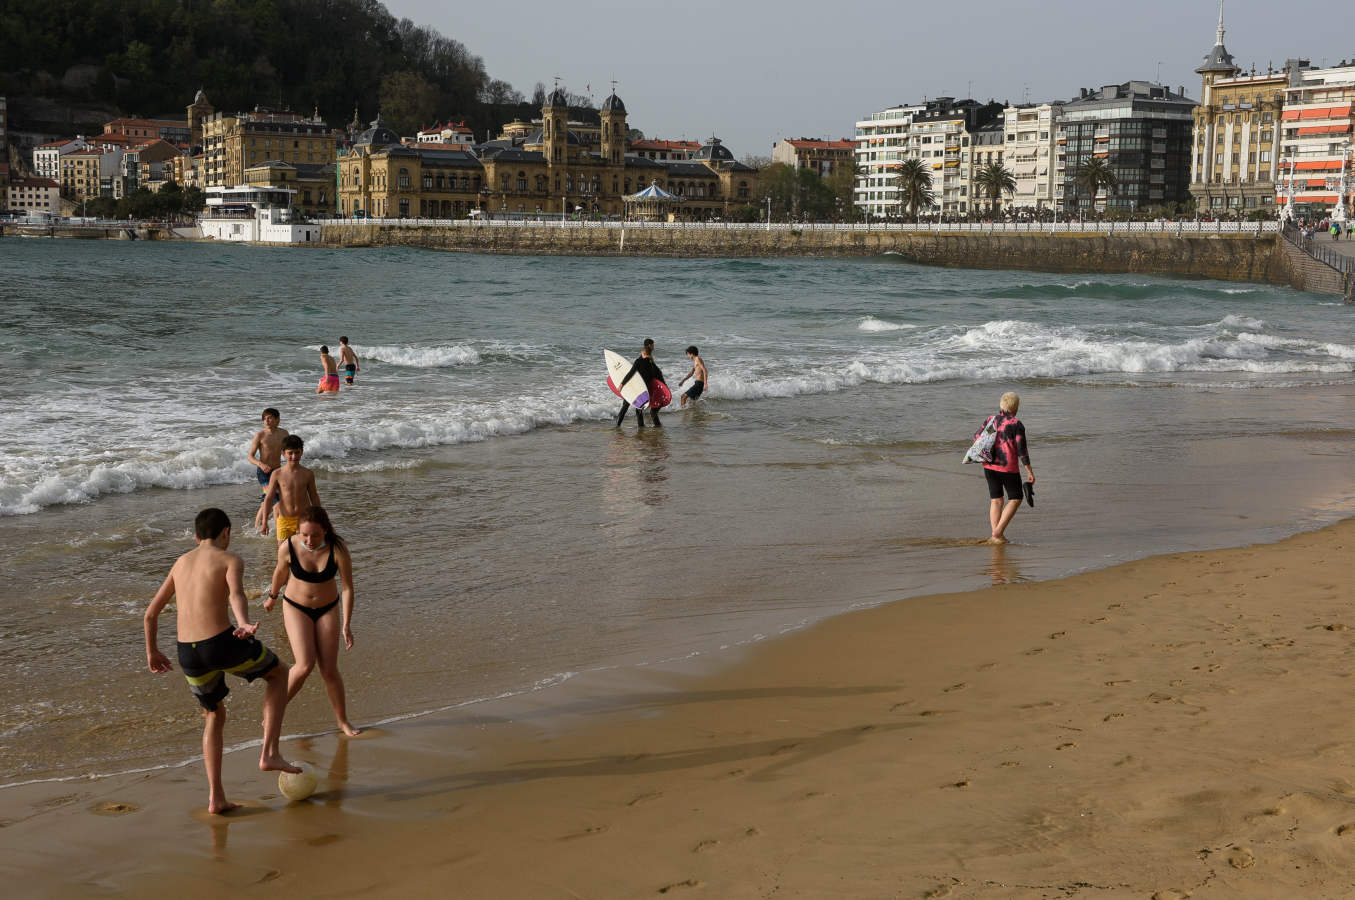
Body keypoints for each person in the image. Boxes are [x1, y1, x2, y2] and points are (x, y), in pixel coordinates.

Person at [144, 508, 300, 814]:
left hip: (186, 652)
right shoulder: (230, 560)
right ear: (226, 533)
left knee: (213, 715)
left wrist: (152, 652)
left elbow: (150, 614)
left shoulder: (180, 562)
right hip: (218, 643)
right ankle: (269, 752)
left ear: (196, 536)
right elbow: (236, 595)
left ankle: (216, 798)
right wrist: (243, 622)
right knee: (279, 673)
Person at [265, 505, 361, 736]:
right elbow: (280, 572)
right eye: (304, 534)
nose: (309, 540)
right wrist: (272, 596)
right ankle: (272, 713)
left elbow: (347, 588)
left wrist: (347, 624)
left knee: (329, 670)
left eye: (315, 535)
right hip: (296, 607)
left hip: (328, 608)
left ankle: (342, 721)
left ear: (325, 531)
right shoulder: (287, 546)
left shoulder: (338, 549)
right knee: (305, 664)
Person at [978, 391, 1035, 544]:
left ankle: (996, 535)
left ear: (1001, 405)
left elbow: (977, 437)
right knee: (1016, 498)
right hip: (1008, 467)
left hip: (989, 465)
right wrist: (1029, 470)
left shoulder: (991, 420)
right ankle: (997, 533)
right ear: (1016, 407)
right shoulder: (1016, 424)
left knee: (996, 500)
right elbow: (1022, 450)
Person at [261, 435, 320, 543]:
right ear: (283, 453)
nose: (294, 456)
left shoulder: (308, 474)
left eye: (297, 452)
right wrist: (264, 521)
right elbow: (269, 498)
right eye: (290, 453)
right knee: (282, 552)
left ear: (301, 452)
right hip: (284, 520)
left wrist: (319, 517)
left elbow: (314, 496)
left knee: (303, 551)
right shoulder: (277, 474)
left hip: (304, 519)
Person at [247, 408, 289, 531]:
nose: (267, 421)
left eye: (270, 418)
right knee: (276, 503)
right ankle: (279, 532)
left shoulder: (284, 434)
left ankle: (256, 529)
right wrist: (260, 464)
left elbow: (286, 452)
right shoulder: (260, 435)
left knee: (267, 500)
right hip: (263, 472)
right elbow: (250, 456)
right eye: (265, 419)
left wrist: (290, 464)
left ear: (277, 419)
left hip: (278, 471)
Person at [614, 338, 665, 428]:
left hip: (635, 387)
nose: (654, 347)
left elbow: (630, 374)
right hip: (645, 389)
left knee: (626, 406)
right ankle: (641, 427)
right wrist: (663, 389)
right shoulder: (651, 362)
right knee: (639, 408)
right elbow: (657, 376)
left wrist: (622, 384)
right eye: (653, 345)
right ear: (649, 346)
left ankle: (618, 425)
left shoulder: (639, 361)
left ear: (643, 352)